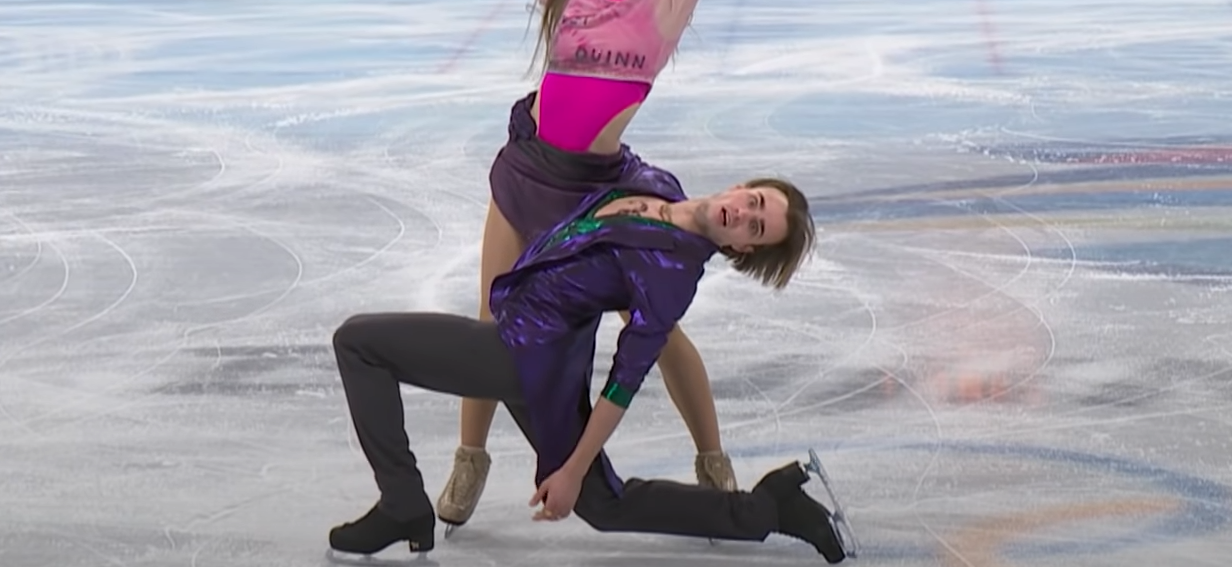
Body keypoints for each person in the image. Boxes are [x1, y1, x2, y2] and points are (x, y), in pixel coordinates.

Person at [437, 0, 756, 526]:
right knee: (492, 314)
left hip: (593, 196)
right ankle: (469, 458)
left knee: (654, 322)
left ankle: (711, 459)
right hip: (526, 173)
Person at [326, 162, 847, 563]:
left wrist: (572, 470)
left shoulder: (672, 275)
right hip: (550, 355)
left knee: (359, 343)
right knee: (602, 505)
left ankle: (402, 503)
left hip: (516, 355)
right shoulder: (655, 182)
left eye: (756, 228)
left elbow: (623, 383)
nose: (744, 215)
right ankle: (767, 507)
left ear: (741, 249)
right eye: (754, 202)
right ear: (741, 185)